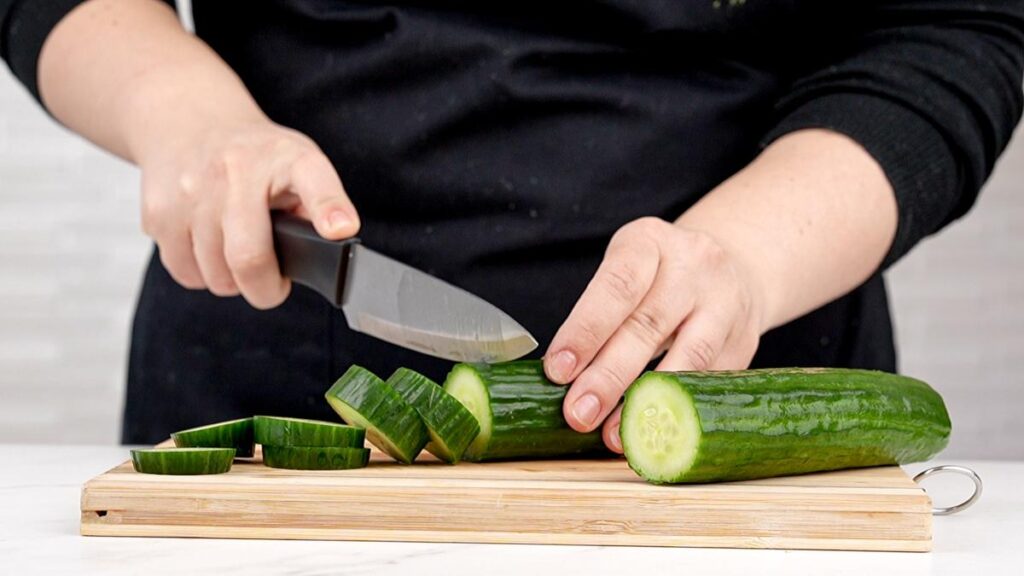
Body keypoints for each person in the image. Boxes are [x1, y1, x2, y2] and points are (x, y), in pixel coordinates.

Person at [2, 0, 1021, 451]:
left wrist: (746, 262)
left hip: (742, 379)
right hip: (275, 361)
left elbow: (958, 22)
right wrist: (185, 115)